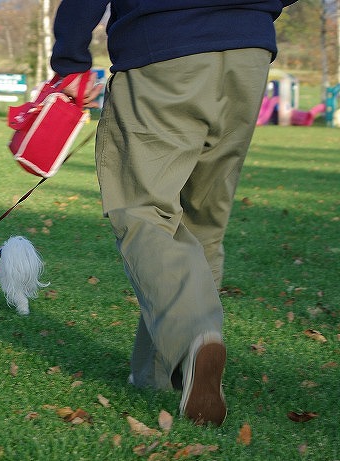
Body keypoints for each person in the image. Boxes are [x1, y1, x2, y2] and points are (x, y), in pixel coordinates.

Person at [51, 1, 298, 426]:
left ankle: (193, 338)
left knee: (142, 209)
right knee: (203, 222)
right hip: (249, 54)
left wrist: (70, 61)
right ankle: (156, 376)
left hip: (162, 48)